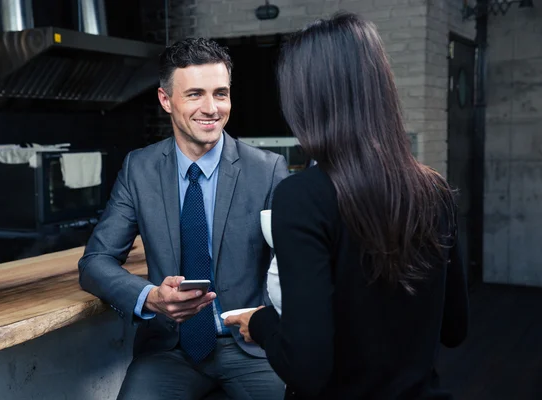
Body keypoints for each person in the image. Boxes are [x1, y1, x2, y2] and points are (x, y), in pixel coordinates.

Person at [225, 12, 469, 400]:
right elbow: (455, 330)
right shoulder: (434, 189)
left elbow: (307, 371)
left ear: (306, 99)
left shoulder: (301, 198)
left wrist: (262, 323)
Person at [78, 38, 288, 400]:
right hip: (168, 350)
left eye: (220, 94)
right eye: (194, 94)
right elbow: (95, 262)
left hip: (252, 347)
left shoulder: (268, 170)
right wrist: (150, 297)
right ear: (165, 100)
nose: (211, 108)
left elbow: (295, 266)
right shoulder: (138, 169)